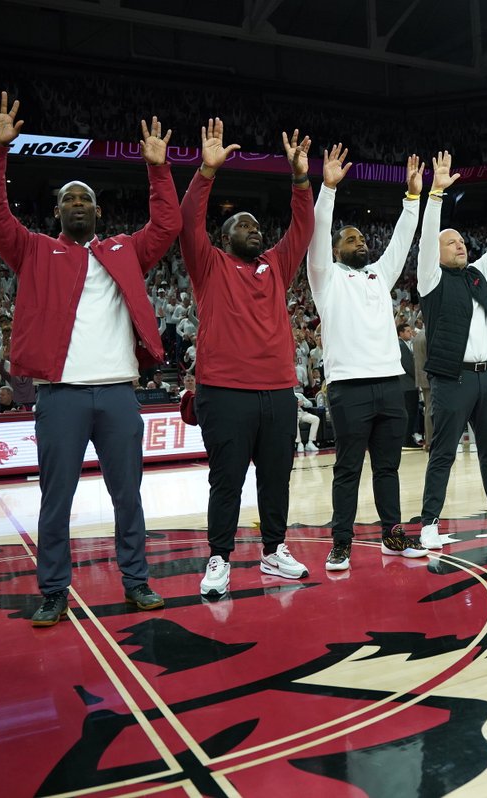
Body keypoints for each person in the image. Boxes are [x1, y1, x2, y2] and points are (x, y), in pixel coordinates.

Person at [0, 93, 177, 625]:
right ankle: (54, 590)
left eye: (86, 198)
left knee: (128, 497)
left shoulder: (123, 250)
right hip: (59, 396)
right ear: (57, 211)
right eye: (69, 200)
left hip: (116, 392)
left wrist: (158, 170)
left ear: (100, 210)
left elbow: (167, 226)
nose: (79, 205)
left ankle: (136, 580)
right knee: (55, 500)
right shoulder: (36, 249)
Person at [180, 118, 314, 595]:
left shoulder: (277, 264)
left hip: (279, 390)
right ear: (223, 235)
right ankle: (218, 558)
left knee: (276, 479)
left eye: (257, 225)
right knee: (227, 482)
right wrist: (205, 174)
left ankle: (274, 550)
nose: (254, 230)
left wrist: (300, 179)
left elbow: (303, 226)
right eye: (243, 224)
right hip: (224, 392)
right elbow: (189, 220)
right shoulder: (209, 264)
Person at [306, 144, 426, 571]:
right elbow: (318, 235)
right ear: (336, 250)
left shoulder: (380, 276)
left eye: (361, 238)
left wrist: (412, 198)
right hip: (348, 389)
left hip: (390, 385)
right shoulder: (325, 278)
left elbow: (400, 240)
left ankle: (393, 536)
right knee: (347, 470)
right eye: (350, 239)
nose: (359, 242)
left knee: (388, 469)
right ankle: (341, 542)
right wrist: (328, 189)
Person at [415, 152, 487, 548]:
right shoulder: (430, 279)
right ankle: (430, 521)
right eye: (451, 242)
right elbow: (431, 239)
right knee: (444, 453)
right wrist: (435, 196)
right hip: (453, 378)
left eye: (462, 241)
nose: (460, 245)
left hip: (486, 378)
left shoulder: (478, 276)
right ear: (437, 251)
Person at [399, 323, 422, 450]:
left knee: (412, 413)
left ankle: (407, 438)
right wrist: (418, 375)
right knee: (410, 413)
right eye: (407, 331)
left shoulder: (406, 345)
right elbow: (409, 365)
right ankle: (406, 440)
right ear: (401, 333)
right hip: (407, 385)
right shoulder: (401, 345)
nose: (410, 333)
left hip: (408, 385)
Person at [412, 319, 431, 449]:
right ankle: (430, 441)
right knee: (431, 410)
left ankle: (429, 441)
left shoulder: (418, 336)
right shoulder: (429, 335)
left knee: (428, 409)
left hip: (422, 377)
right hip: (431, 377)